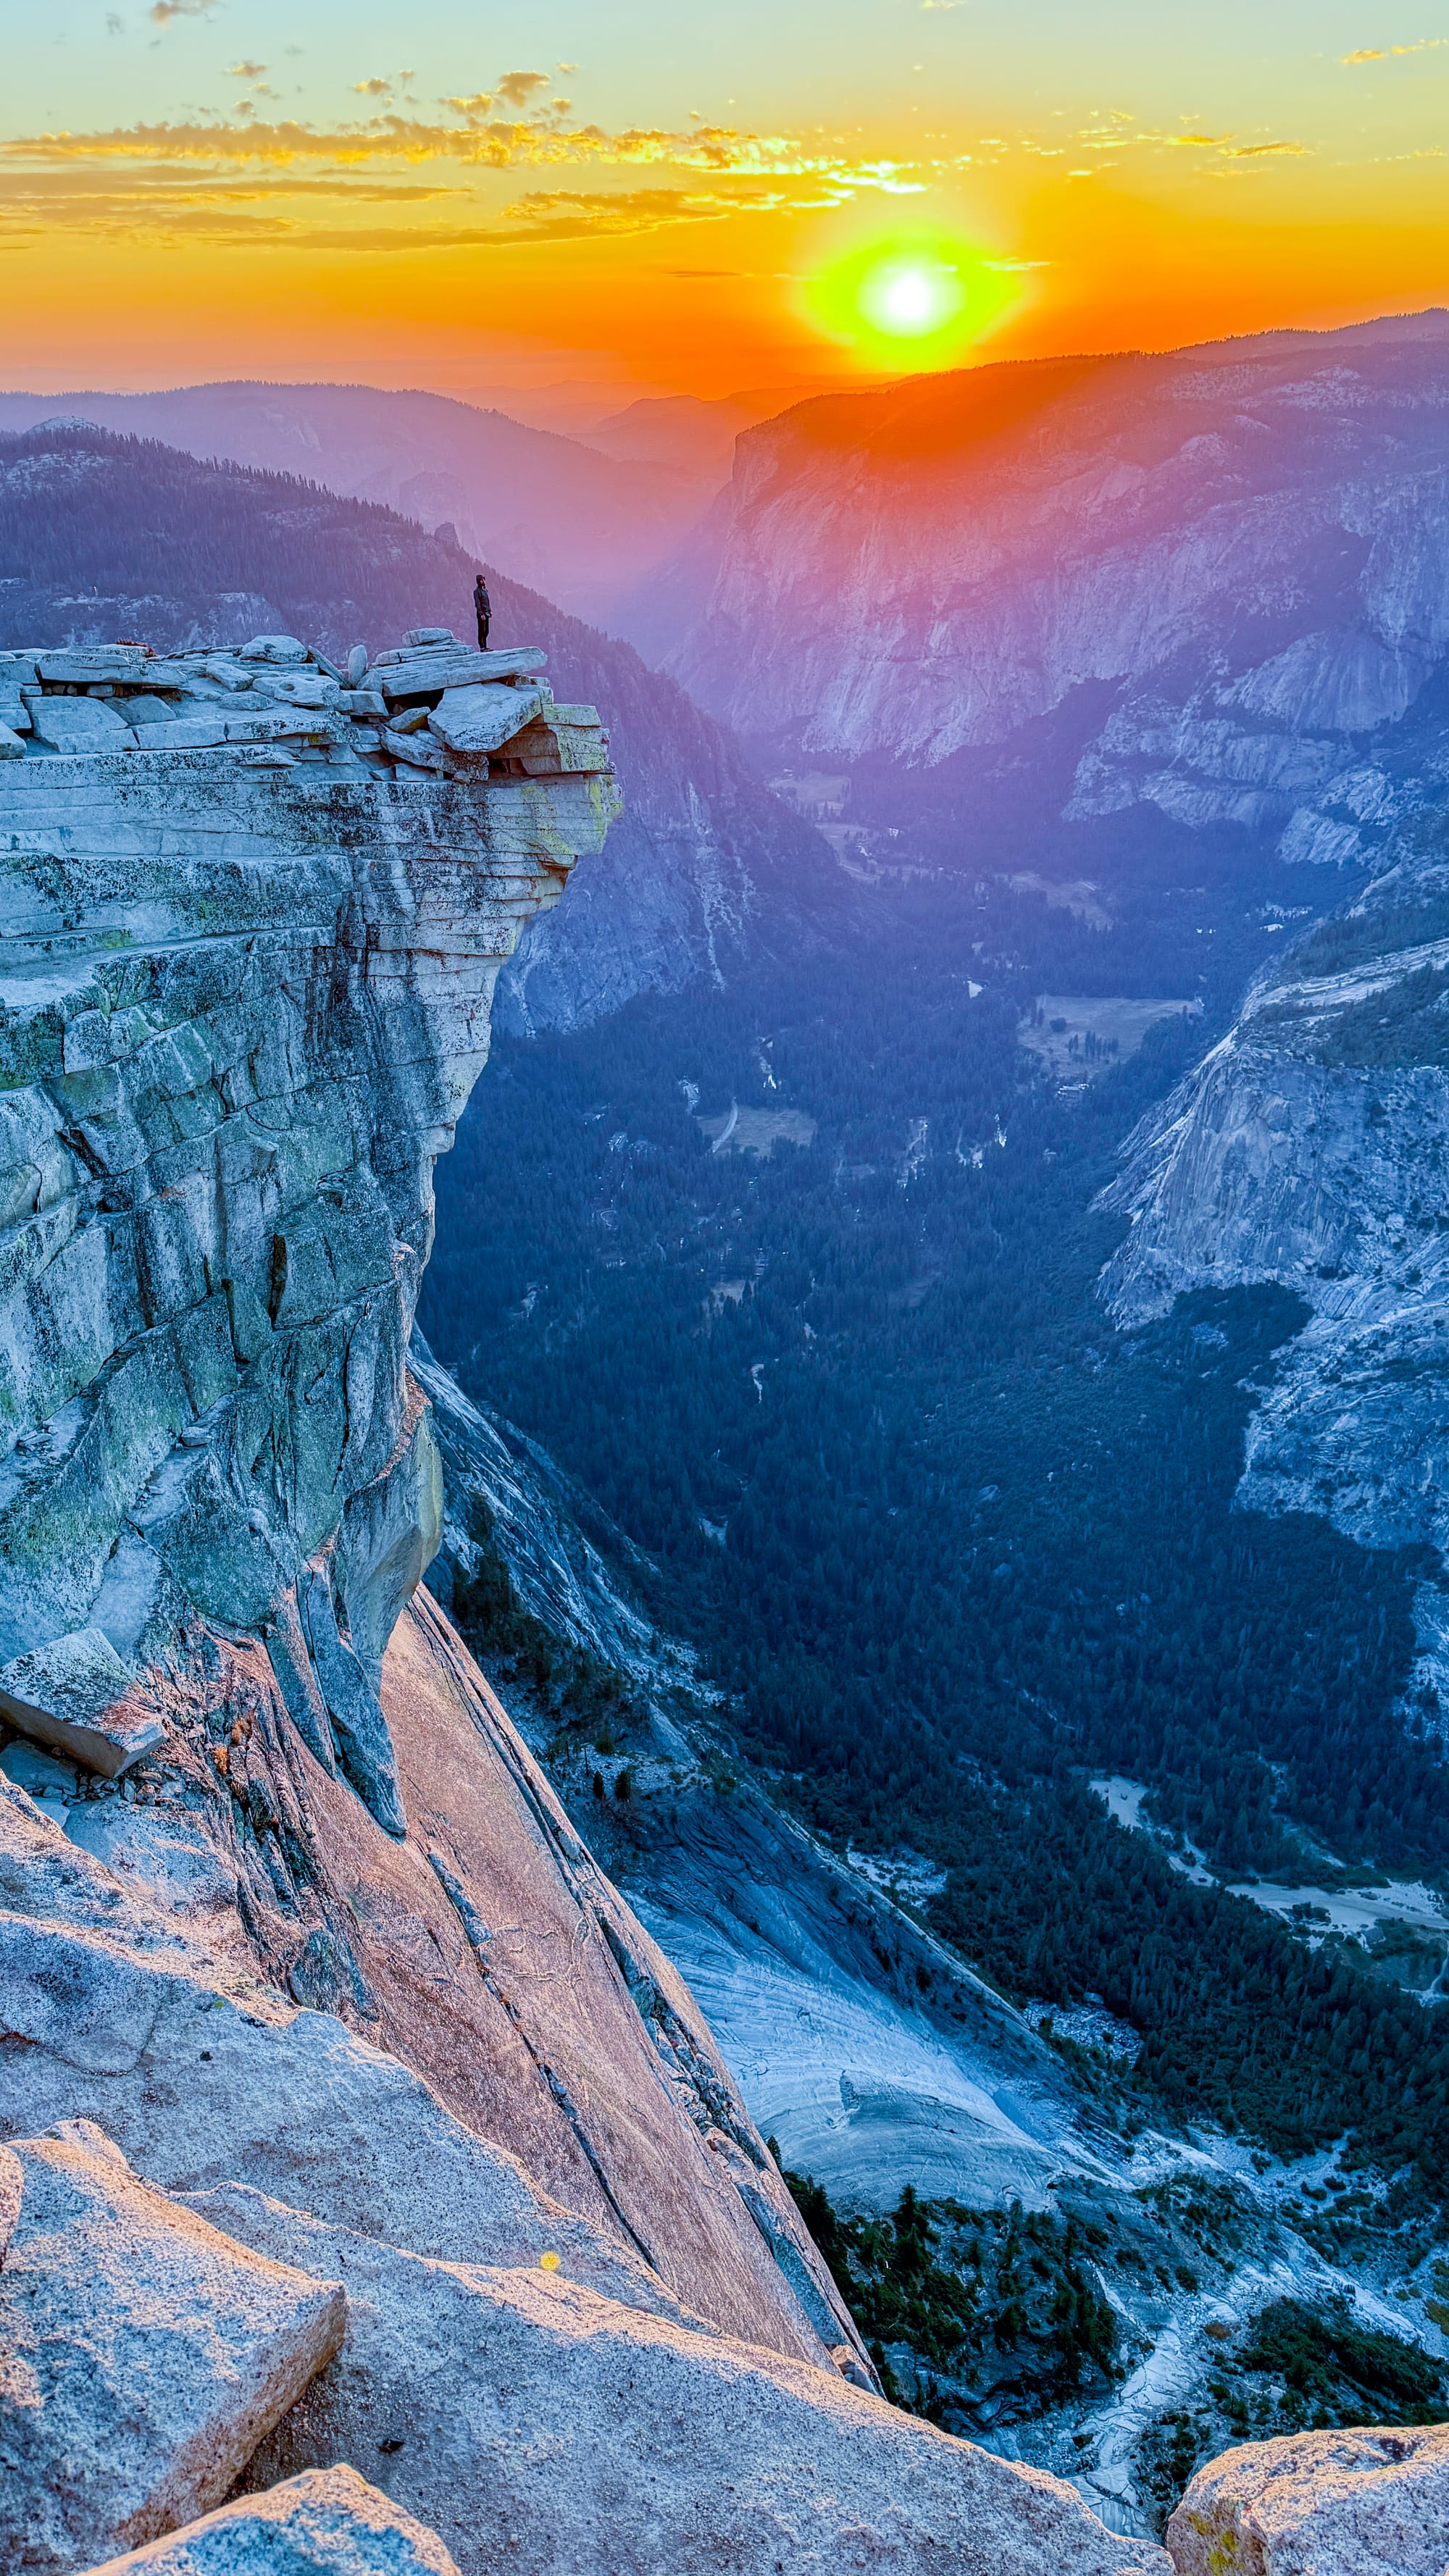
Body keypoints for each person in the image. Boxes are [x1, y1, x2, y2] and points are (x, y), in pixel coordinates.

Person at [474, 572, 491, 651]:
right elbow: (477, 604)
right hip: (482, 614)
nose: (483, 581)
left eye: (484, 579)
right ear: (479, 581)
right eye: (482, 580)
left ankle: (485, 646)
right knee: (482, 630)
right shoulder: (477, 591)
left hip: (487, 613)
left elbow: (487, 601)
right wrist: (481, 614)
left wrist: (490, 611)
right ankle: (482, 647)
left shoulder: (485, 590)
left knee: (486, 631)